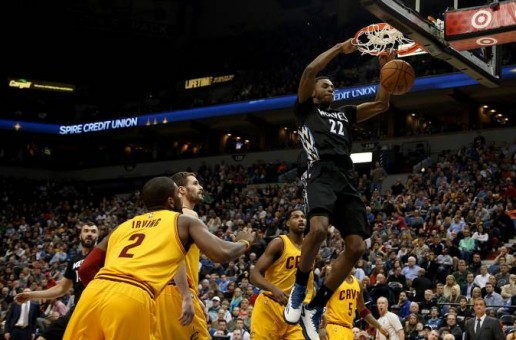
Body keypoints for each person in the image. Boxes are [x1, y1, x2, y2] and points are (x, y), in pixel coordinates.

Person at [283, 38, 393, 340]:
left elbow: (383, 102)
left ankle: (316, 305)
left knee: (357, 247)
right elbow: (309, 71)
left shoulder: (344, 113)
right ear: (313, 92)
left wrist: (385, 68)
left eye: (332, 86)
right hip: (319, 171)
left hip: (346, 177)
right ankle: (298, 290)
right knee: (317, 229)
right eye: (325, 85)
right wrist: (337, 49)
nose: (330, 88)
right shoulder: (304, 110)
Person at [64, 176, 254, 340]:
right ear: (171, 202)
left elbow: (85, 269)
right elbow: (221, 253)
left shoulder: (121, 227)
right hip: (131, 295)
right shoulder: (182, 221)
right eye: (178, 197)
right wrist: (245, 243)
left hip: (92, 294)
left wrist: (104, 291)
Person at [14, 222, 99, 340]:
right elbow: (60, 289)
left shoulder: (103, 256)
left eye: (93, 231)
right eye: (86, 231)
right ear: (80, 236)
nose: (89, 234)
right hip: (78, 309)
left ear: (98, 237)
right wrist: (30, 295)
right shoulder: (74, 261)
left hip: (98, 308)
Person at [155, 172, 209, 340]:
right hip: (178, 292)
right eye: (195, 183)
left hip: (163, 292)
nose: (200, 187)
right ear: (182, 190)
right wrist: (187, 295)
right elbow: (176, 256)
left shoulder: (164, 218)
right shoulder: (188, 216)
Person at [249, 209, 314, 339]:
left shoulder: (310, 247)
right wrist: (274, 289)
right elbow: (254, 275)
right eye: (296, 217)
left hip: (296, 312)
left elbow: (310, 283)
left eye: (303, 217)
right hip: (271, 306)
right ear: (288, 223)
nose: (301, 219)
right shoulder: (279, 243)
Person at [318, 273, 388, 340]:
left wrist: (379, 327)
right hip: (334, 327)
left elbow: (363, 310)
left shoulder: (358, 283)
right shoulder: (334, 280)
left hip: (349, 329)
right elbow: (320, 304)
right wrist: (321, 328)